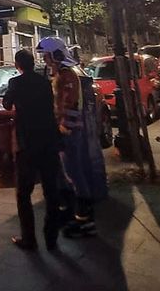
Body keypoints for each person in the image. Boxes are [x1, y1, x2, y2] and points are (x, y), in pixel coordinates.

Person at [37, 37, 107, 239]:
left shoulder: (67, 76)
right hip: (68, 132)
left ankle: (86, 221)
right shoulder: (62, 74)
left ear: (56, 54)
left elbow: (69, 105)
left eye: (47, 55)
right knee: (72, 174)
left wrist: (62, 129)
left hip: (69, 133)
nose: (45, 59)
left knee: (75, 174)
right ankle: (79, 216)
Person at [3, 49, 63, 252]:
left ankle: (29, 239)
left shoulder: (16, 83)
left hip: (26, 144)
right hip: (48, 141)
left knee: (23, 194)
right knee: (51, 191)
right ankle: (51, 237)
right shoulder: (44, 82)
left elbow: (6, 104)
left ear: (18, 65)